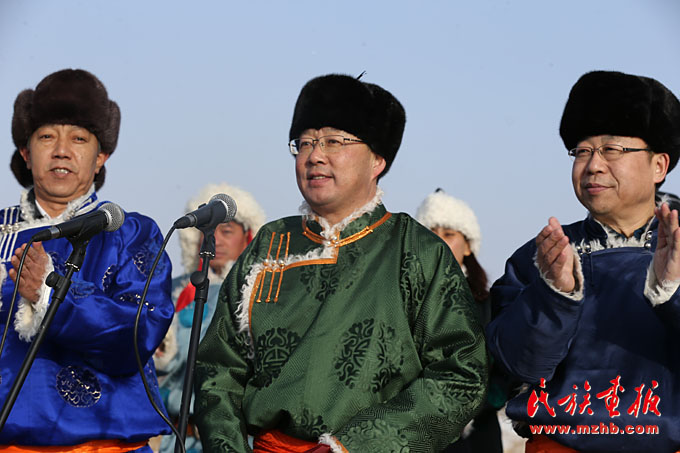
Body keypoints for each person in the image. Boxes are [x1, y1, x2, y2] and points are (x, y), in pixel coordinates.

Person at [194, 74, 488, 453]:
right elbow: (218, 368)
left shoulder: (415, 250)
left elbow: (460, 376)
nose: (315, 155)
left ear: (377, 160)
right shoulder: (271, 243)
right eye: (305, 143)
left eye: (334, 141)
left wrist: (351, 446)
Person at [487, 70, 680, 452]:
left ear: (659, 165)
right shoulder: (540, 257)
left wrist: (671, 291)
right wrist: (553, 296)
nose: (593, 165)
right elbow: (516, 366)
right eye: (582, 151)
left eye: (612, 150)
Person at [0, 69, 174, 451]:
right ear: (26, 152)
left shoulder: (131, 234)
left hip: (106, 444)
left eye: (79, 138)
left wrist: (50, 293)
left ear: (101, 157)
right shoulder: (2, 233)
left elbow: (140, 332)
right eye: (47, 136)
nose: (61, 150)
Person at [154, 183, 265, 453]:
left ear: (247, 236)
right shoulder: (173, 290)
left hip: (229, 438)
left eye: (227, 231)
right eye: (209, 231)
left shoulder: (259, 293)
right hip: (172, 437)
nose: (218, 240)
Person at [416, 188, 507, 453]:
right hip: (415, 432)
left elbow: (504, 369)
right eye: (430, 233)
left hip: (476, 435)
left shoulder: (490, 303)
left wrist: (478, 404)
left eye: (449, 234)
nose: (438, 241)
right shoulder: (398, 298)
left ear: (468, 245)